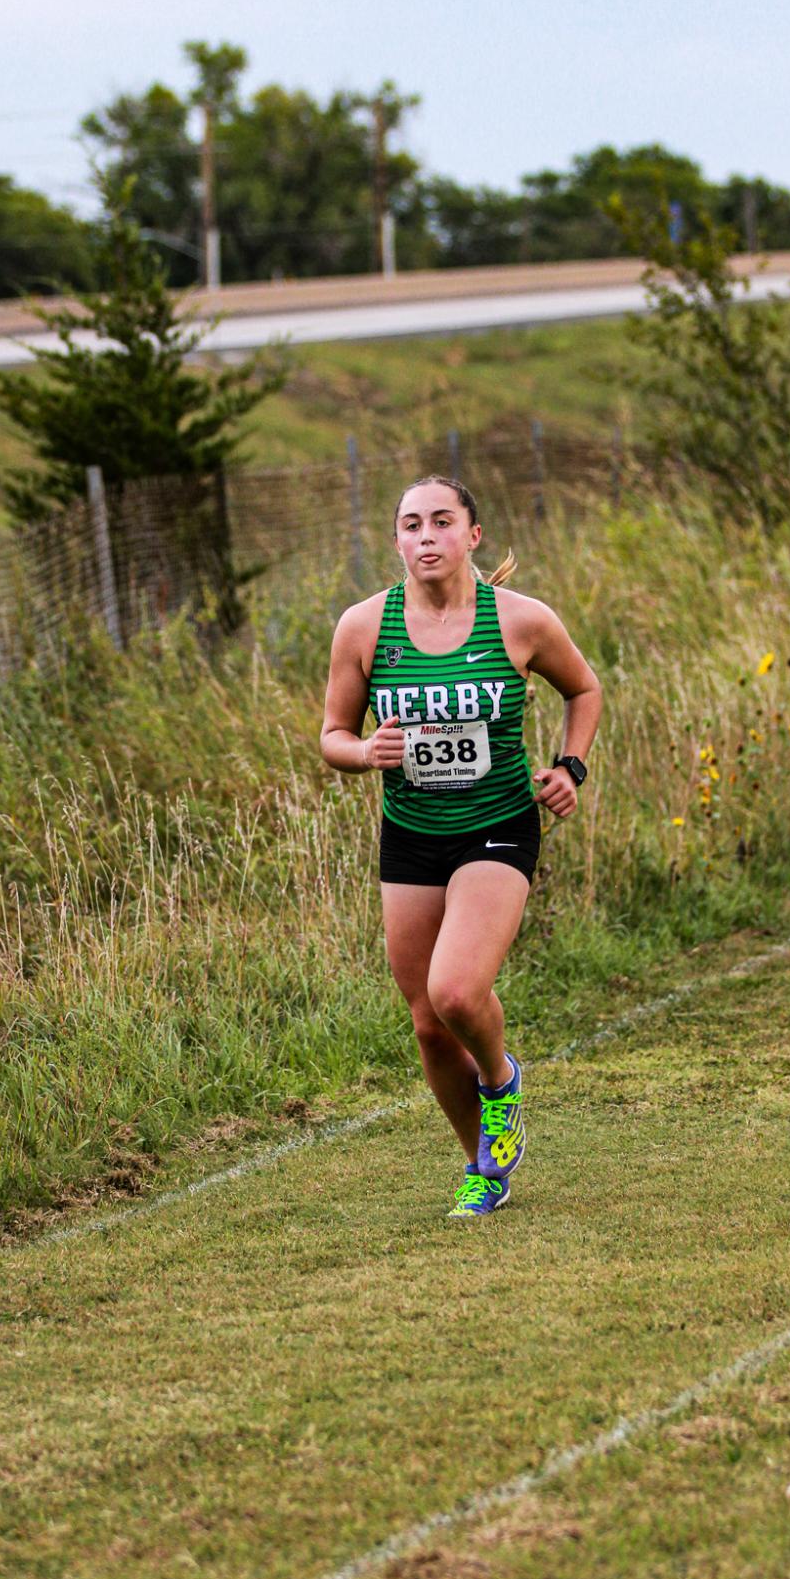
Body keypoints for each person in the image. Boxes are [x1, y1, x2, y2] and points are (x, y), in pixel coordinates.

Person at [320, 474, 602, 1217]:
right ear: (397, 541)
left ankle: (502, 1078)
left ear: (472, 535)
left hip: (498, 824)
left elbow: (586, 689)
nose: (426, 537)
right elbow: (332, 737)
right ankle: (482, 1166)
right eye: (411, 525)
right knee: (425, 1020)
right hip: (411, 834)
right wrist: (364, 752)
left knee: (454, 991)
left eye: (442, 522)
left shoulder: (522, 621)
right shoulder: (362, 627)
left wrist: (570, 766)